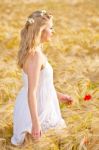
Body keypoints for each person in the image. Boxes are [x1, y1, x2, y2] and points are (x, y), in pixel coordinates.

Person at [11, 10, 73, 146]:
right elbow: (32, 92)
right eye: (50, 28)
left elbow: (41, 86)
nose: (53, 31)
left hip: (40, 105)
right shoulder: (35, 56)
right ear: (41, 31)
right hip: (36, 111)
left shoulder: (36, 52)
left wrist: (59, 95)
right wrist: (35, 124)